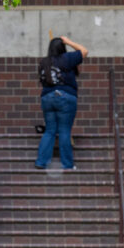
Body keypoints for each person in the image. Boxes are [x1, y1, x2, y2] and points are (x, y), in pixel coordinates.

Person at [35, 36, 88, 171]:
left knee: (50, 131)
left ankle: (41, 162)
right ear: (62, 47)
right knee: (64, 131)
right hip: (65, 97)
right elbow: (84, 51)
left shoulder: (43, 63)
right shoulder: (67, 58)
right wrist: (69, 41)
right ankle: (67, 164)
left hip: (47, 98)